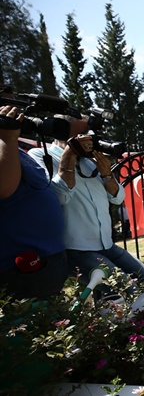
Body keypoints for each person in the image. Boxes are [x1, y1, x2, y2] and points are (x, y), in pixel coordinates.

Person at [28, 122, 144, 298]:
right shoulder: (40, 154)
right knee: (127, 291)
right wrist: (69, 155)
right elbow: (60, 197)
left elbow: (118, 198)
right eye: (82, 134)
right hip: (76, 250)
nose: (89, 138)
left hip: (107, 245)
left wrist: (106, 173)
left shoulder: (89, 163)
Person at [0, 104, 69, 299]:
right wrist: (7, 136)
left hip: (46, 262)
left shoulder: (12, 146)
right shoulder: (6, 139)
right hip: (20, 269)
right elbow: (4, 188)